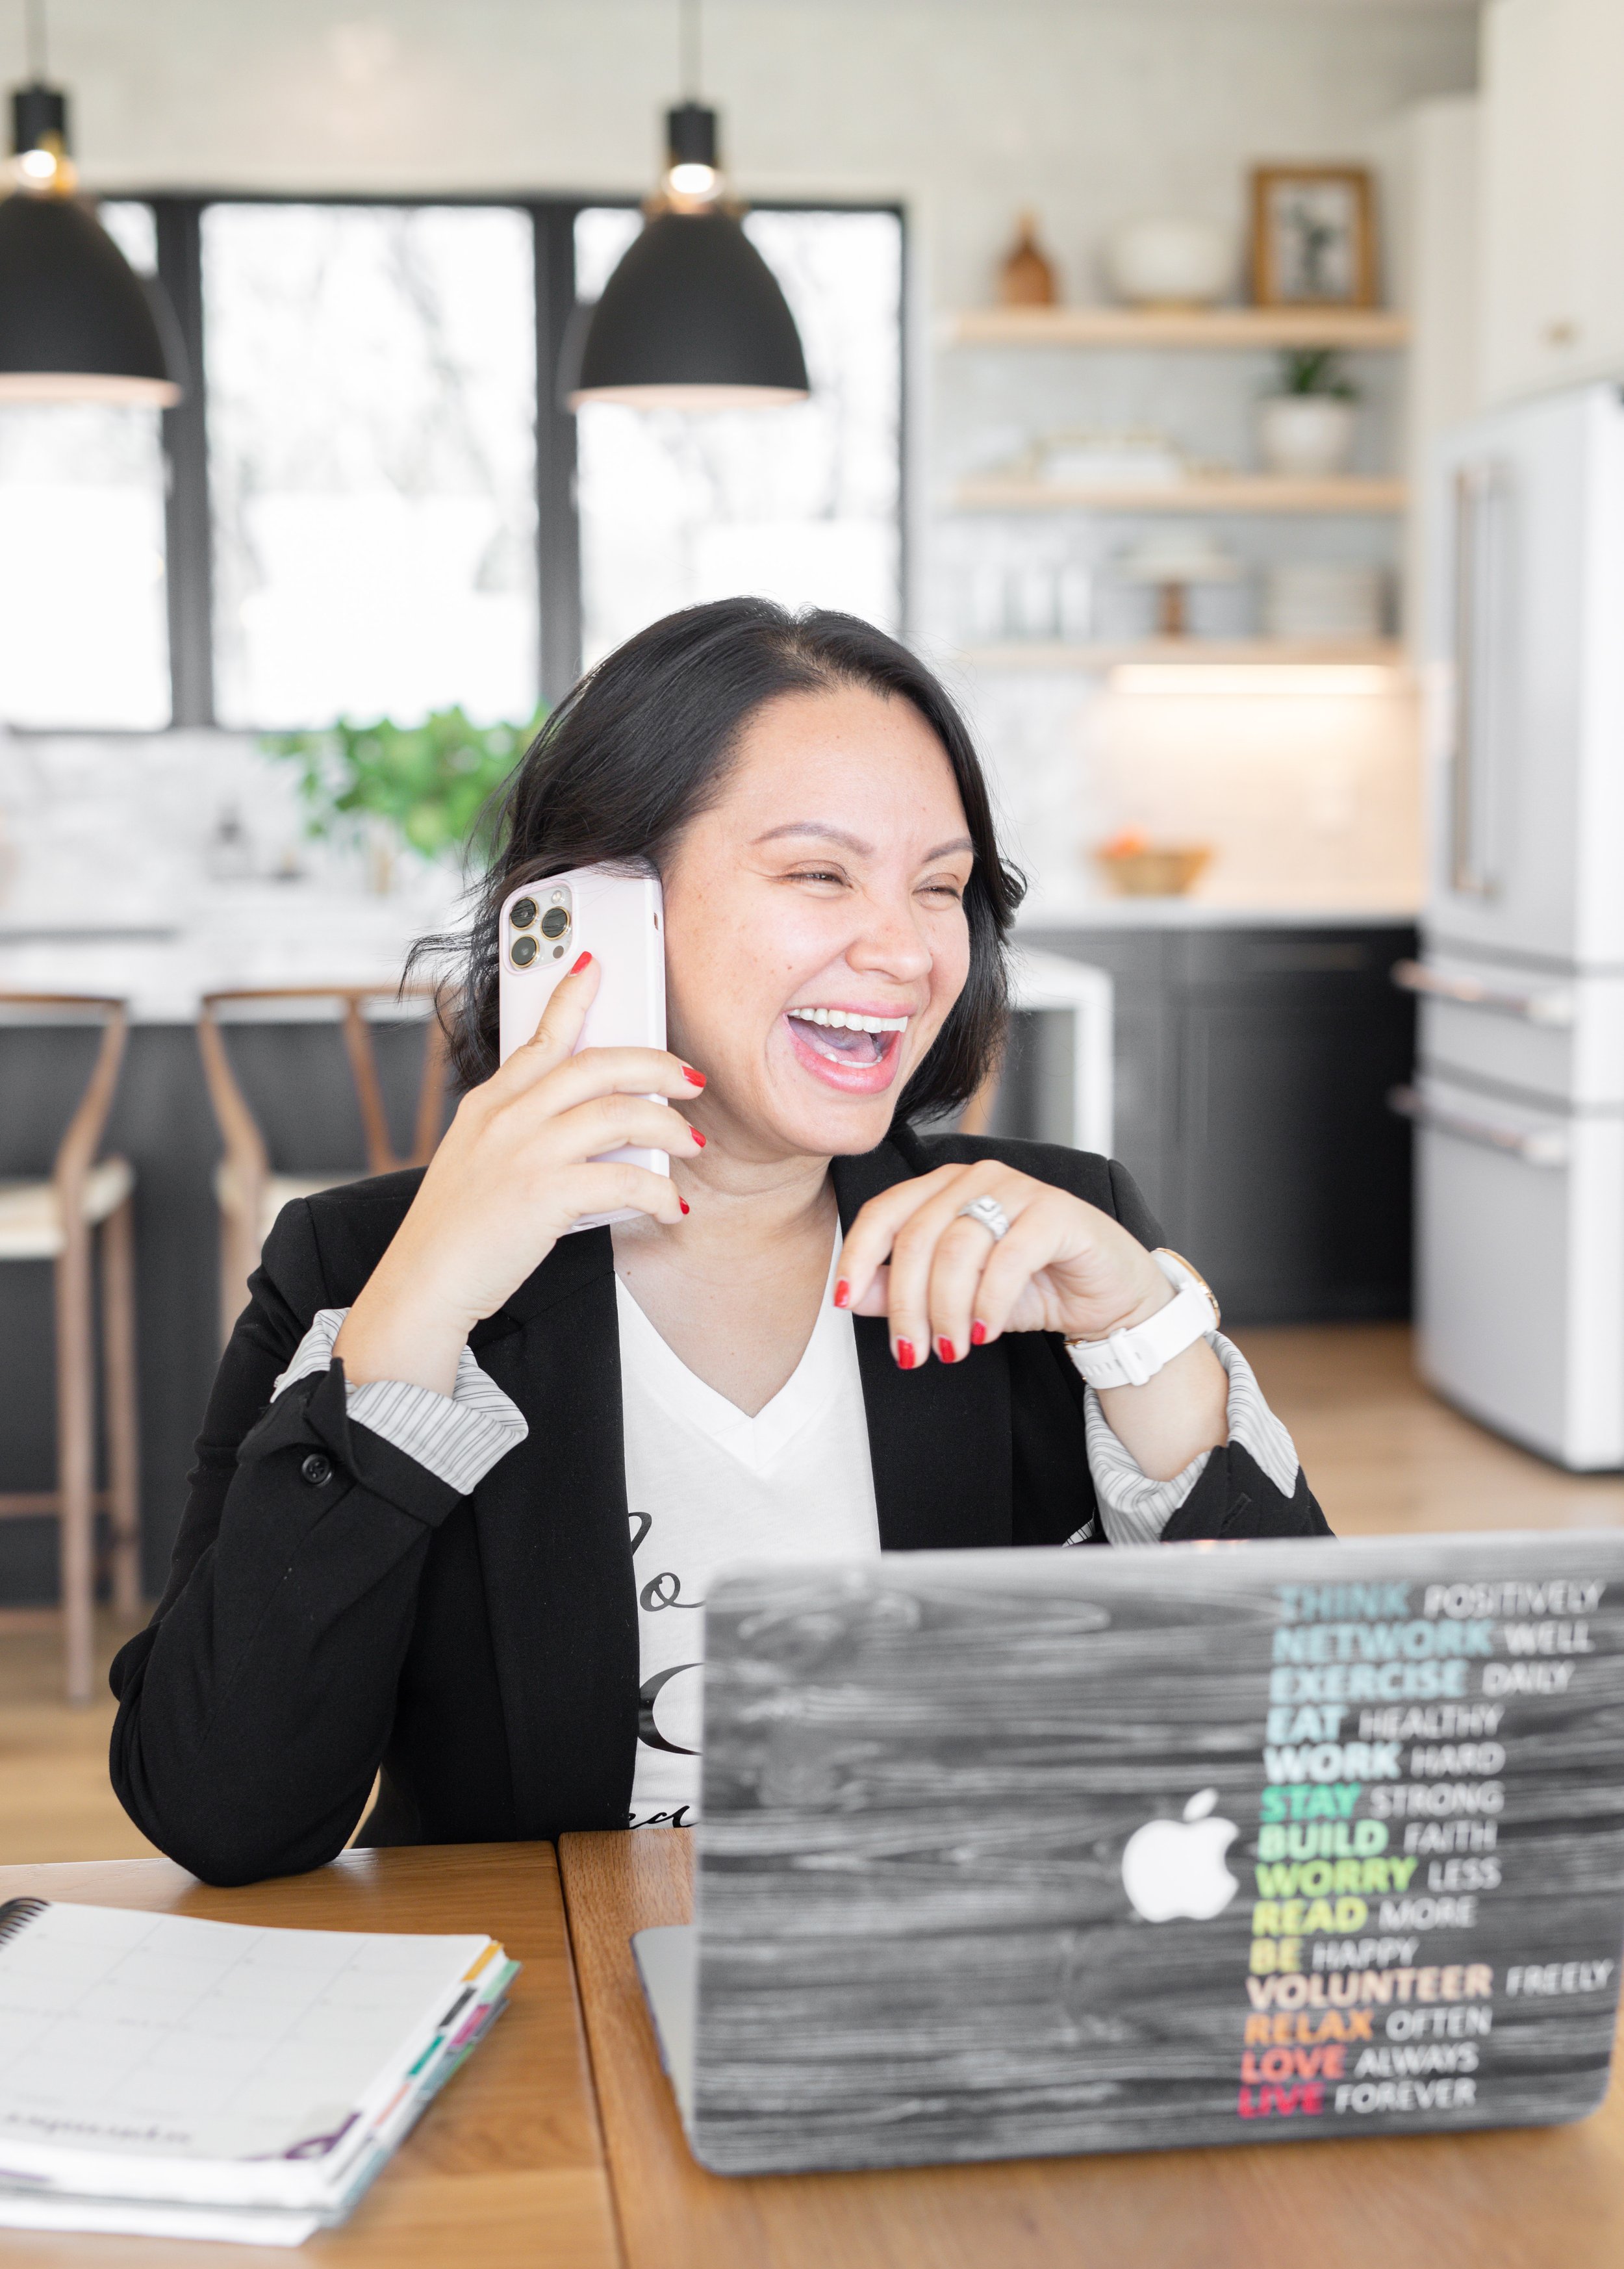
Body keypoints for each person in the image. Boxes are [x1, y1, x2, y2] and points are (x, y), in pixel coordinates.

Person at [110, 600, 1328, 1884]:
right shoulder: (361, 1271)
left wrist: (1142, 1336)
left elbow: (1308, 1766)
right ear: (602, 908)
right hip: (556, 2022)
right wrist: (414, 1329)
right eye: (818, 873)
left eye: (939, 887)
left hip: (938, 2002)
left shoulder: (1043, 1252)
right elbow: (220, 1815)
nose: (906, 950)